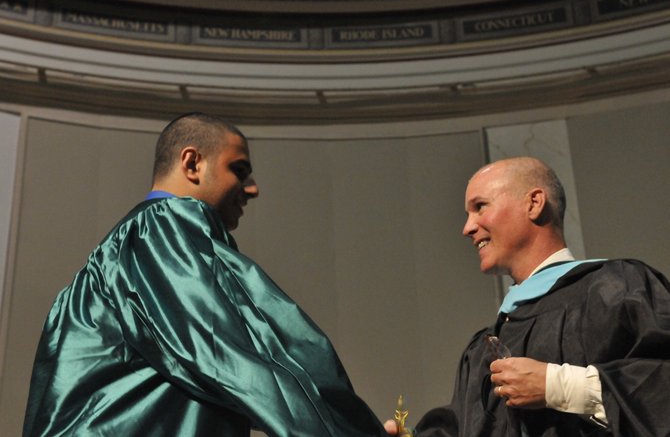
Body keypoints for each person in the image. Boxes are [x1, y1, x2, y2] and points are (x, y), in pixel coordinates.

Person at [23, 112, 387, 437]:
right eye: (239, 170)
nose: (253, 189)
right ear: (193, 163)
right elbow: (239, 355)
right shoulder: (159, 229)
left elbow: (194, 384)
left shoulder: (121, 256)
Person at [385, 156, 670, 436]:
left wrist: (558, 386)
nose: (467, 228)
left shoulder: (617, 287)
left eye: (480, 206)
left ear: (533, 203)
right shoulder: (482, 349)